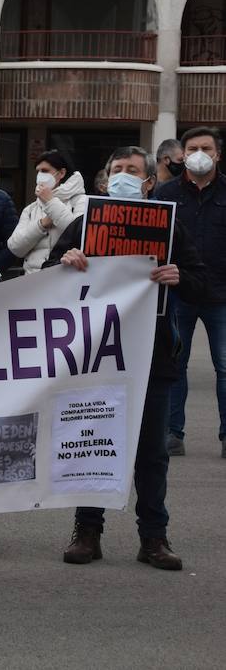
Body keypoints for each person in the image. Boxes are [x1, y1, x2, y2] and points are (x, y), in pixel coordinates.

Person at [50, 145, 206, 571]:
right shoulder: (84, 226)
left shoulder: (170, 228)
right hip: (96, 355)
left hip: (153, 356)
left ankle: (154, 538)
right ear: (105, 181)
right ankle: (87, 532)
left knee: (151, 453)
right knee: (92, 444)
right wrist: (65, 260)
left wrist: (180, 277)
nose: (123, 176)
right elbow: (47, 276)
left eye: (132, 171)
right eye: (116, 170)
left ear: (148, 181)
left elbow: (201, 284)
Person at [154, 127, 226, 459]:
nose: (200, 153)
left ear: (217, 154)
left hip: (221, 296)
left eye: (206, 147)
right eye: (193, 147)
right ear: (182, 154)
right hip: (178, 294)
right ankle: (172, 432)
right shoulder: (165, 194)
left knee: (224, 367)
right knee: (175, 365)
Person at [6, 150, 87, 276]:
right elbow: (15, 247)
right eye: (38, 171)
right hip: (33, 279)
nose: (39, 176)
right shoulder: (31, 209)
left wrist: (51, 202)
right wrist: (41, 224)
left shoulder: (80, 201)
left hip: (64, 278)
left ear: (61, 173)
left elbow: (79, 236)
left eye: (44, 171)